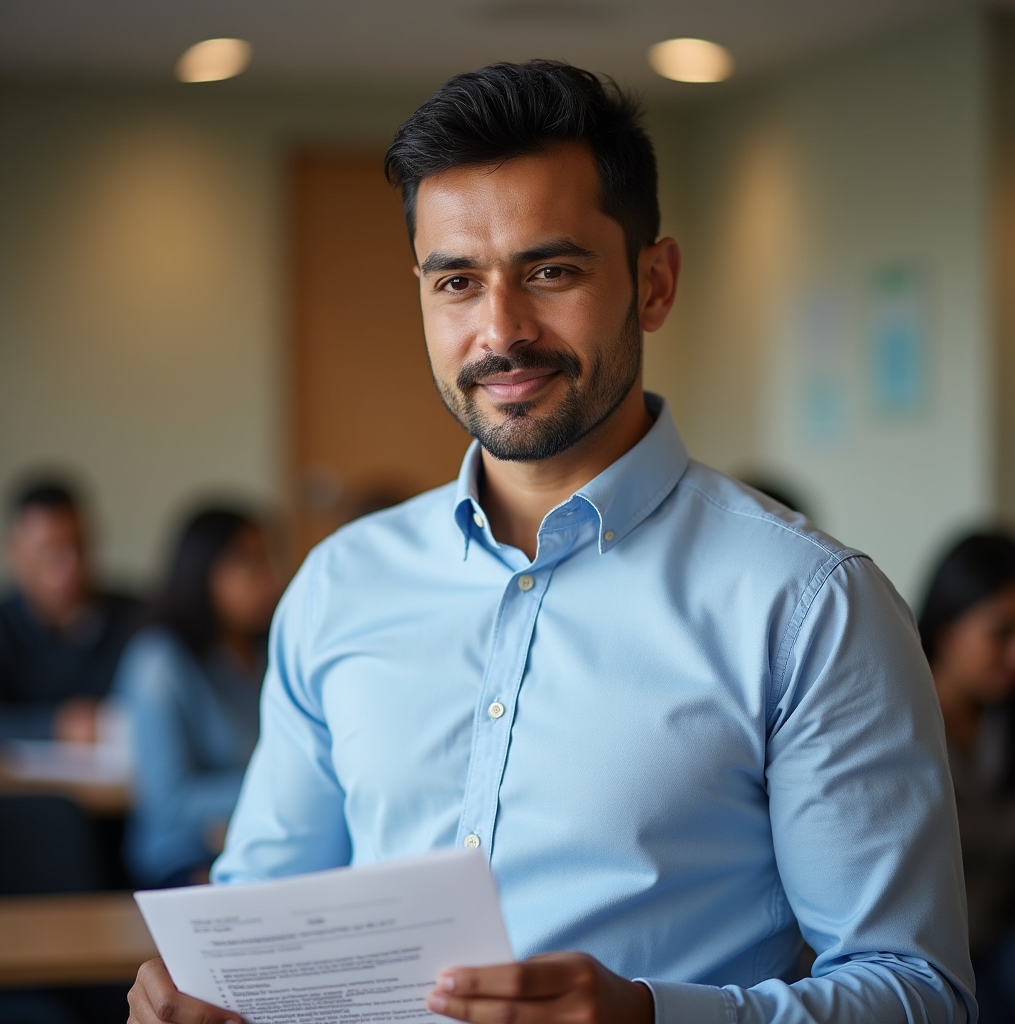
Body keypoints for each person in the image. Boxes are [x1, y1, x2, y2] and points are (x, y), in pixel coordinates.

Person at [128, 61, 975, 1023]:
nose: (502, 330)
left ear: (653, 284)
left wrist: (654, 1017)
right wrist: (200, 997)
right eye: (457, 281)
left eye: (552, 271)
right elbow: (260, 922)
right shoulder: (338, 587)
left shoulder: (809, 605)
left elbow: (919, 994)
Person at [116, 507, 280, 887]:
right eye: (248, 562)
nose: (269, 577)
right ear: (202, 571)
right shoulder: (158, 661)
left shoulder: (267, 651)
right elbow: (170, 801)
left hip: (255, 837)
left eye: (269, 559)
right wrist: (275, 789)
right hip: (185, 853)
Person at [918, 530, 1015, 1024]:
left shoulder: (1003, 725)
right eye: (1000, 634)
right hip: (920, 962)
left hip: (997, 950)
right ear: (945, 629)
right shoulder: (896, 729)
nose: (1014, 656)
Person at [0, 476, 139, 744]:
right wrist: (54, 725)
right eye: (51, 552)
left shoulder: (135, 618)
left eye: (79, 547)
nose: (70, 566)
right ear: (15, 555)